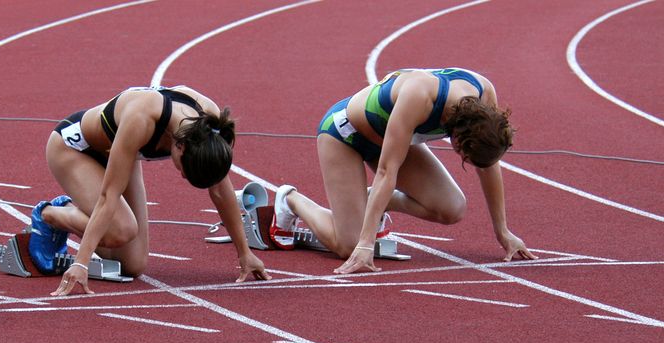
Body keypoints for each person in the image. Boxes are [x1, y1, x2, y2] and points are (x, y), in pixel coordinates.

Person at [270, 67, 535, 274]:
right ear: (456, 138)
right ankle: (290, 200)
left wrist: (503, 231)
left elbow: (489, 167)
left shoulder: (485, 94)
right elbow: (387, 171)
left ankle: (375, 204)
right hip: (344, 135)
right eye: (465, 156)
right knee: (348, 245)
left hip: (389, 140)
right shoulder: (420, 96)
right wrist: (364, 244)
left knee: (452, 208)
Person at [31, 85, 270, 296]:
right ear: (180, 145)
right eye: (184, 170)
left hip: (122, 153)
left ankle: (83, 217)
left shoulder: (212, 131)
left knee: (132, 264)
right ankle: (51, 215)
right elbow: (108, 196)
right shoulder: (142, 118)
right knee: (121, 231)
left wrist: (244, 253)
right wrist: (81, 263)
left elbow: (219, 189)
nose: (183, 175)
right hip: (73, 150)